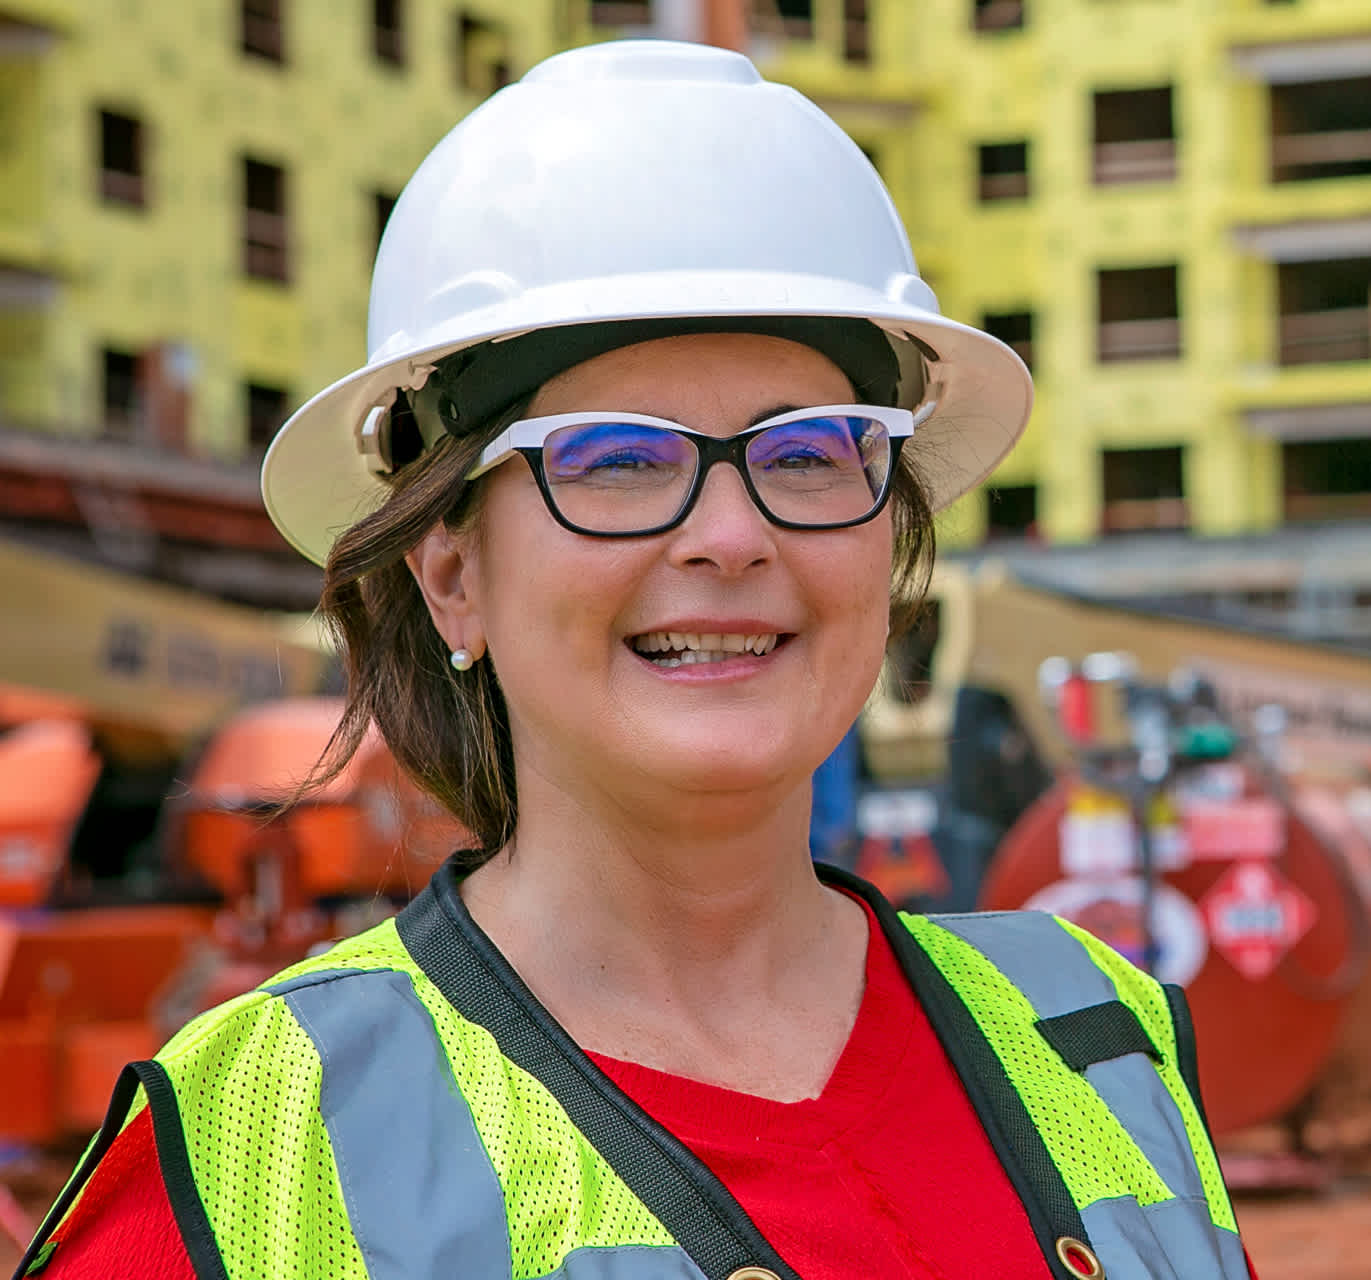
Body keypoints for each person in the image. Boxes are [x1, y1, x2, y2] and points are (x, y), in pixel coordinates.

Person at [16, 41, 1255, 1280]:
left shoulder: (1097, 1035)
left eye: (814, 450)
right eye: (614, 459)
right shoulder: (261, 1145)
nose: (730, 534)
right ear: (451, 575)